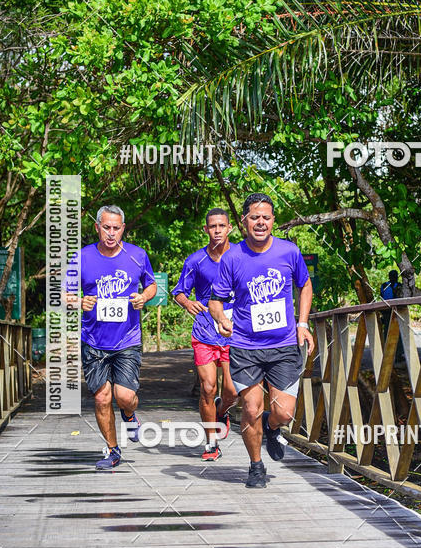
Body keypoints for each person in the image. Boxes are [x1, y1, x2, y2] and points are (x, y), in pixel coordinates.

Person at [209, 193, 314, 489]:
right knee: (251, 408)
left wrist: (302, 323)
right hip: (245, 346)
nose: (260, 223)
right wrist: (222, 319)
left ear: (273, 222)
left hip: (282, 346)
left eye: (266, 218)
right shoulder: (232, 257)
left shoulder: (289, 251)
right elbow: (215, 301)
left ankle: (272, 425)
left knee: (285, 412)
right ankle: (256, 466)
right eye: (254, 217)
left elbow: (304, 285)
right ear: (244, 222)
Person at [64, 205, 157, 470]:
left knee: (124, 396)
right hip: (93, 340)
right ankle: (113, 450)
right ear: (97, 227)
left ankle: (130, 415)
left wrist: (143, 297)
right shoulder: (82, 257)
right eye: (106, 227)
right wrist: (79, 301)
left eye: (116, 228)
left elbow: (151, 285)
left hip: (126, 339)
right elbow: (65, 295)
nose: (111, 233)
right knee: (102, 398)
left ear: (123, 229)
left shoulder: (137, 255)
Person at [172, 208, 238, 461]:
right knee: (208, 388)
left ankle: (222, 412)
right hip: (204, 331)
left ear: (229, 227)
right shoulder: (196, 260)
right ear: (206, 230)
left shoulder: (242, 256)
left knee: (232, 391)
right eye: (213, 226)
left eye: (222, 225)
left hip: (235, 333)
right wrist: (187, 303)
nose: (218, 230)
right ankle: (211, 442)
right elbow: (179, 291)